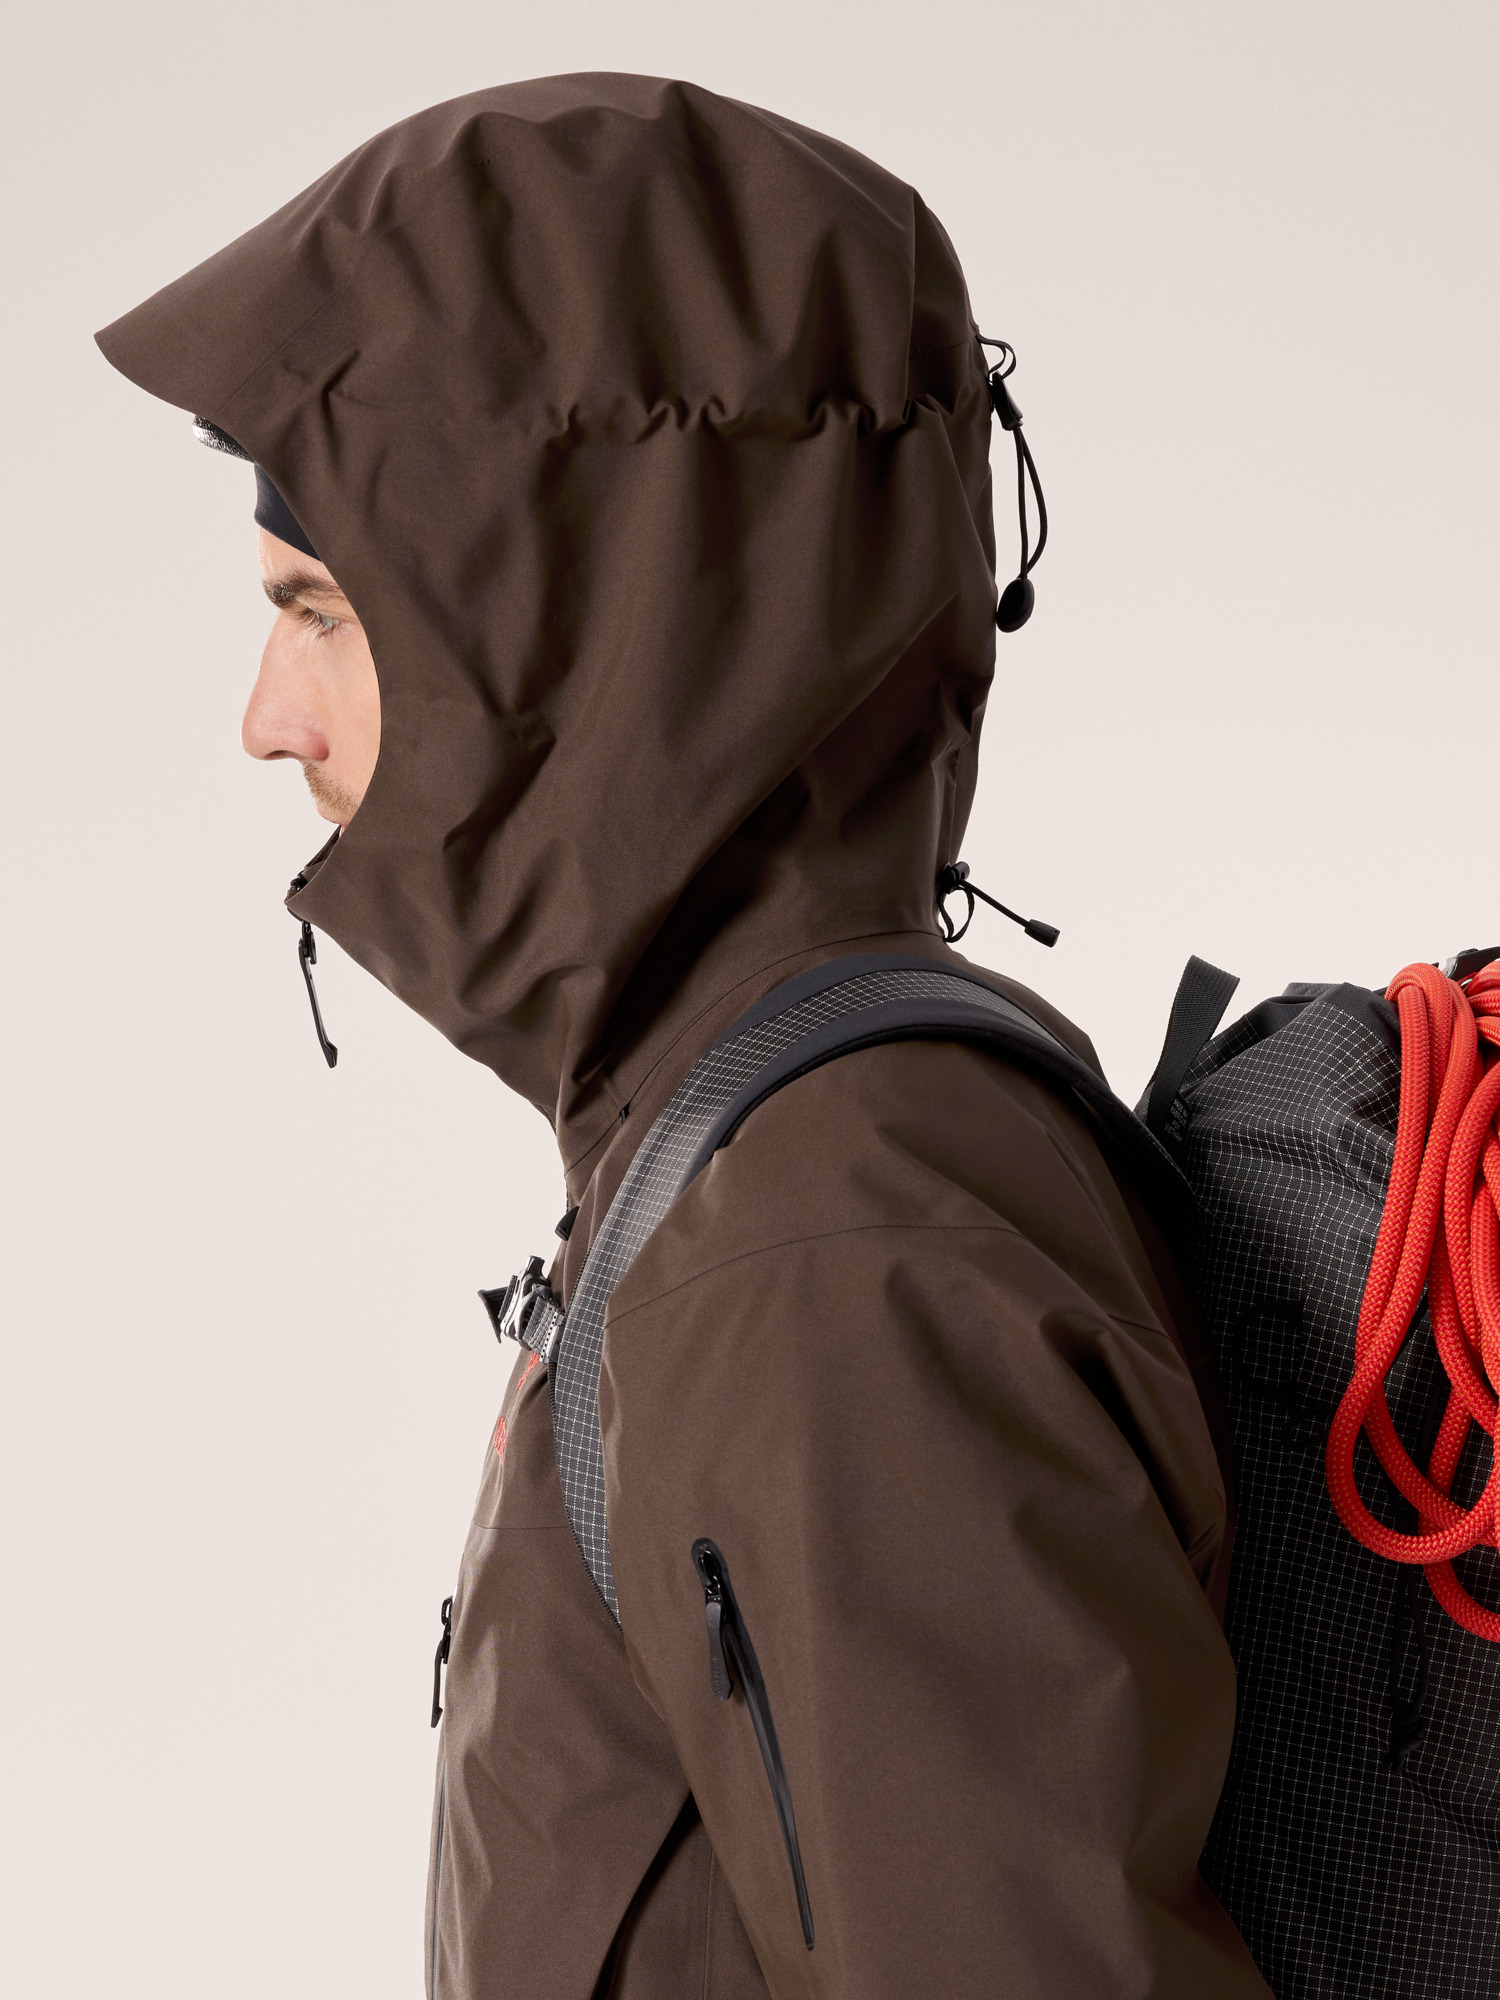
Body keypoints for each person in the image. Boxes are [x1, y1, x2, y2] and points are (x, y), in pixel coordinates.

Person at [98, 74, 1272, 2000]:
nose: (263, 716)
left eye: (317, 610)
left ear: (566, 616)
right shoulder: (742, 1156)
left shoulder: (823, 1236)